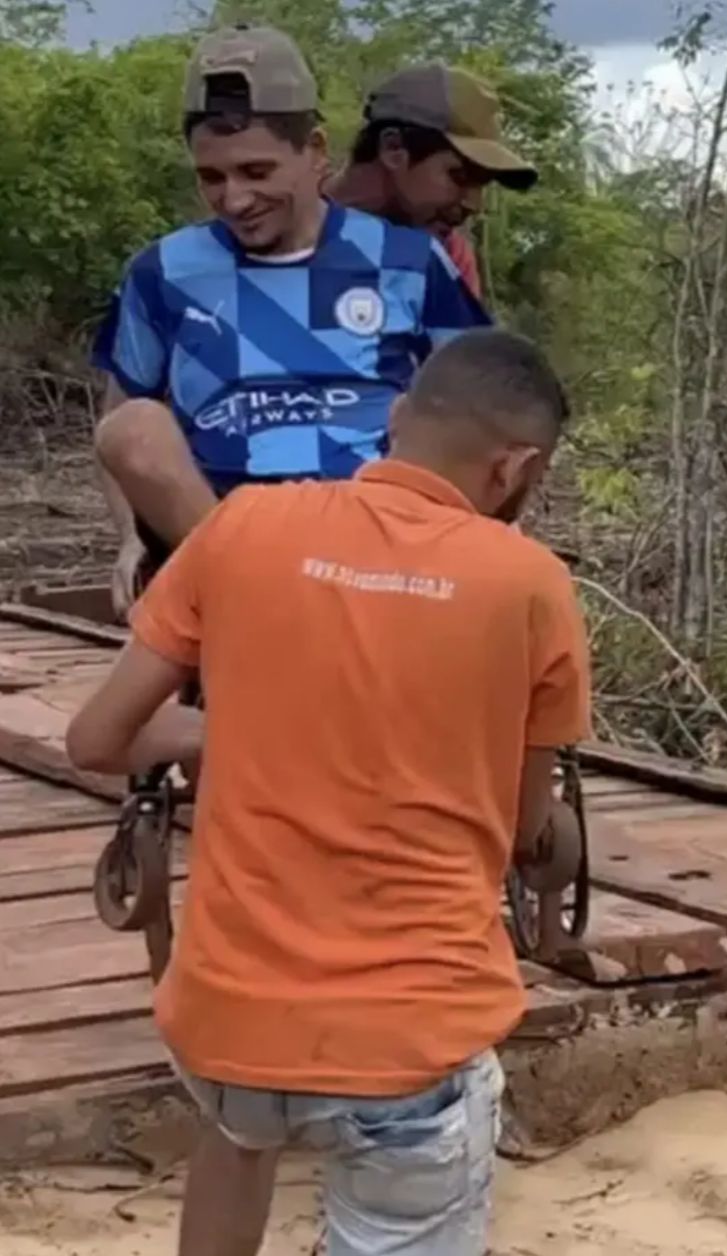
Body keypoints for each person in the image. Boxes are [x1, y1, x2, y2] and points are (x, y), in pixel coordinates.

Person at [66, 327, 590, 1256]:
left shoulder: (245, 526)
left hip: (228, 1025)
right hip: (406, 1047)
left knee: (237, 1135)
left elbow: (97, 739)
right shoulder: (530, 585)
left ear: (396, 420)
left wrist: (233, 732)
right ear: (516, 467)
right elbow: (520, 832)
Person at [94, 26, 490, 619]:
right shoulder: (164, 271)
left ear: (316, 151)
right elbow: (119, 421)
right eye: (212, 177)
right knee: (131, 427)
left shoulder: (407, 260)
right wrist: (130, 537)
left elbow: (481, 409)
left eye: (257, 171)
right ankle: (260, 606)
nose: (234, 199)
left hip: (374, 538)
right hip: (224, 536)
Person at [325, 64, 539, 300]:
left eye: (482, 185)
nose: (474, 205)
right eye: (460, 177)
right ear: (393, 148)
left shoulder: (448, 257)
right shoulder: (285, 221)